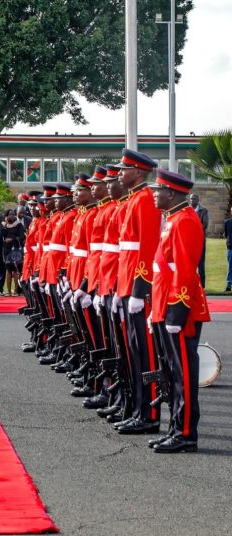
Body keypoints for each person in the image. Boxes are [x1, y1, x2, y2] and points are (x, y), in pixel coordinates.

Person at [148, 169, 210, 453]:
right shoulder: (172, 218)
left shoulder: (184, 220)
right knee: (172, 372)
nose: (154, 194)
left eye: (158, 190)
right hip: (165, 303)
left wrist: (176, 311)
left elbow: (185, 271)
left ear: (171, 193)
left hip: (178, 309)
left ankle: (185, 434)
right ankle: (175, 428)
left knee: (183, 373)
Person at [114, 149, 162, 435]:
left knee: (145, 355)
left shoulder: (144, 200)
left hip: (137, 285)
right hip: (126, 280)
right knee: (133, 352)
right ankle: (138, 409)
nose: (121, 173)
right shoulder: (135, 199)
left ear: (140, 173)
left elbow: (147, 247)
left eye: (125, 169)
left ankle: (150, 414)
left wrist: (138, 288)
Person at [0, 208, 26, 296]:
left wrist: (12, 239)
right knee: (8, 270)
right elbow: (0, 235)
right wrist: (5, 224)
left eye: (12, 214)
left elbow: (22, 236)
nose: (11, 216)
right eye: (9, 214)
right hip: (6, 249)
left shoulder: (18, 225)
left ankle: (16, 290)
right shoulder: (3, 225)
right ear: (6, 216)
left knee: (15, 270)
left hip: (15, 248)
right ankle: (9, 291)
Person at [189, 193, 208, 288]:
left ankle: (202, 286)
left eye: (194, 199)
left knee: (201, 264)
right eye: (191, 199)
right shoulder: (186, 210)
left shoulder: (203, 211)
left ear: (198, 200)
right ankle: (190, 285)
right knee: (188, 264)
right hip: (188, 241)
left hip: (200, 240)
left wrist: (192, 228)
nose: (192, 200)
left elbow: (204, 224)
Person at [225, 207, 232, 292]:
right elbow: (226, 235)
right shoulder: (227, 222)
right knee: (230, 267)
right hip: (230, 248)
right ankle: (228, 285)